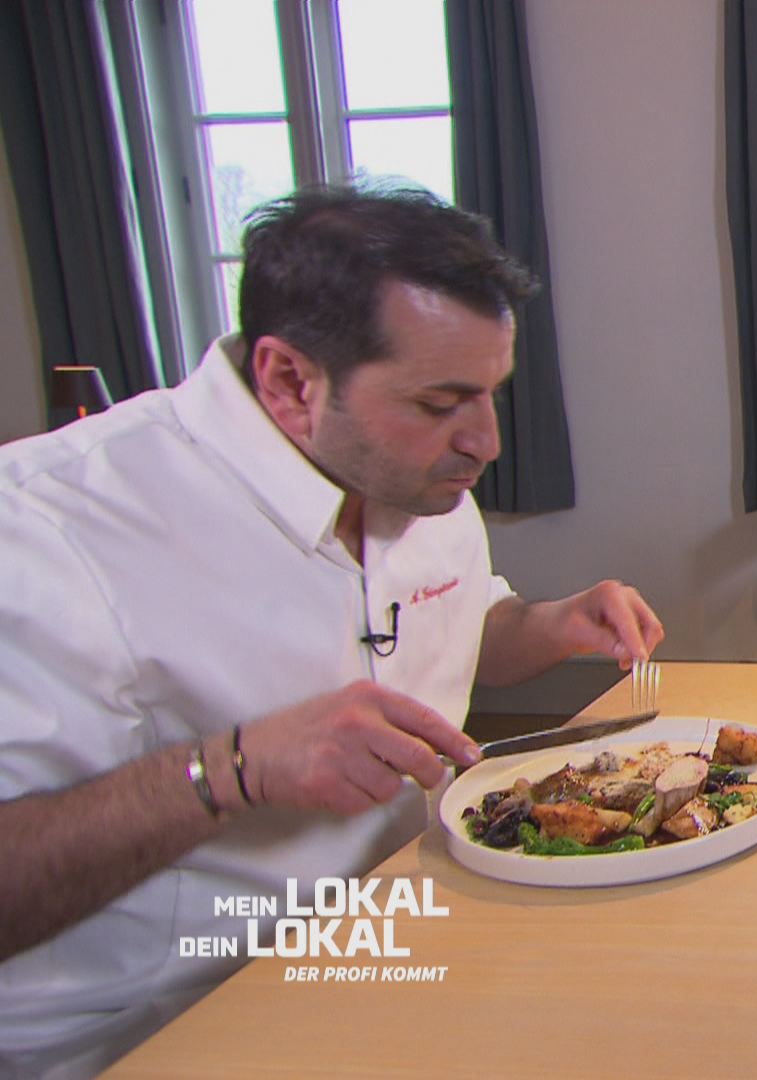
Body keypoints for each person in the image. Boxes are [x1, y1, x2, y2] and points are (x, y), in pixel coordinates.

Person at [0, 184, 665, 1078]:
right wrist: (231, 769)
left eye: (491, 396)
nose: (486, 441)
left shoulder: (416, 480)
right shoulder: (44, 526)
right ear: (289, 381)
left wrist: (549, 623)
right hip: (160, 1031)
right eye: (440, 403)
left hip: (405, 947)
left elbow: (464, 628)